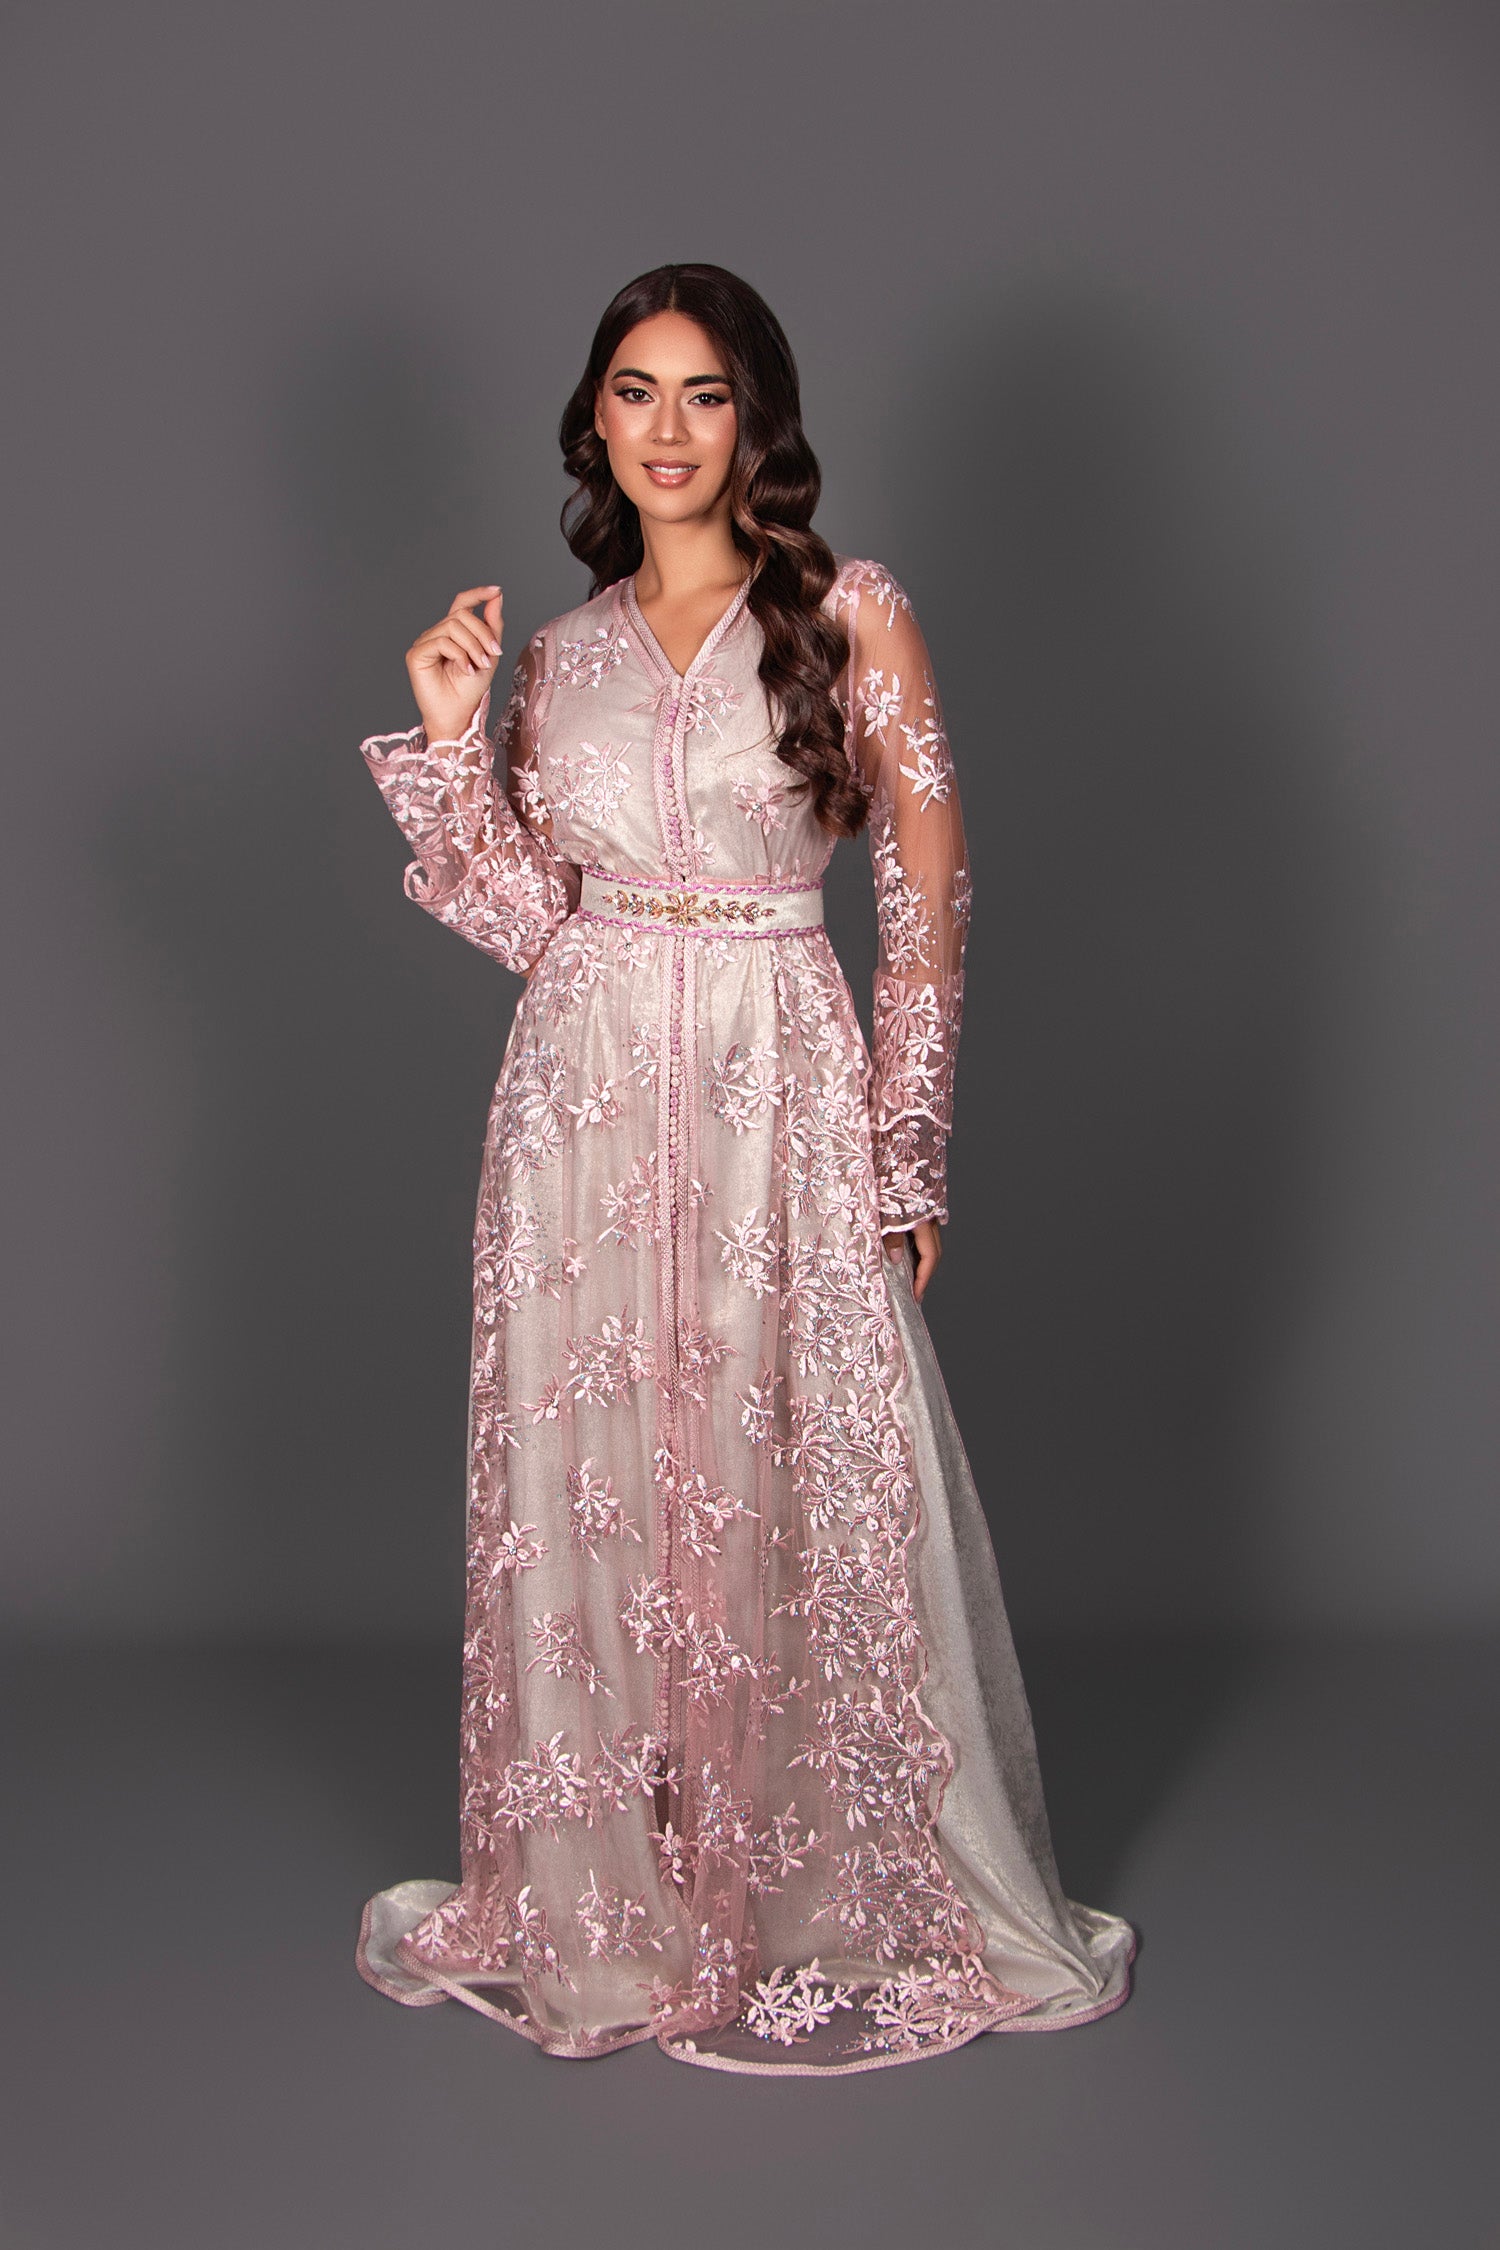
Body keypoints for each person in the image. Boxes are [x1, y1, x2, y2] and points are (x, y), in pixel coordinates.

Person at [354, 262, 1135, 2072]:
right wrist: (451, 743)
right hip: (580, 1109)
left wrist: (908, 1147)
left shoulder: (851, 613)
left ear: (756, 419)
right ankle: (620, 1885)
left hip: (779, 1079)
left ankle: (803, 1872)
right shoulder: (559, 660)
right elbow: (530, 922)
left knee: (791, 1455)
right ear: (593, 420)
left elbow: (926, 889)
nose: (669, 430)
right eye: (635, 392)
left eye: (705, 394)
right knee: (611, 1474)